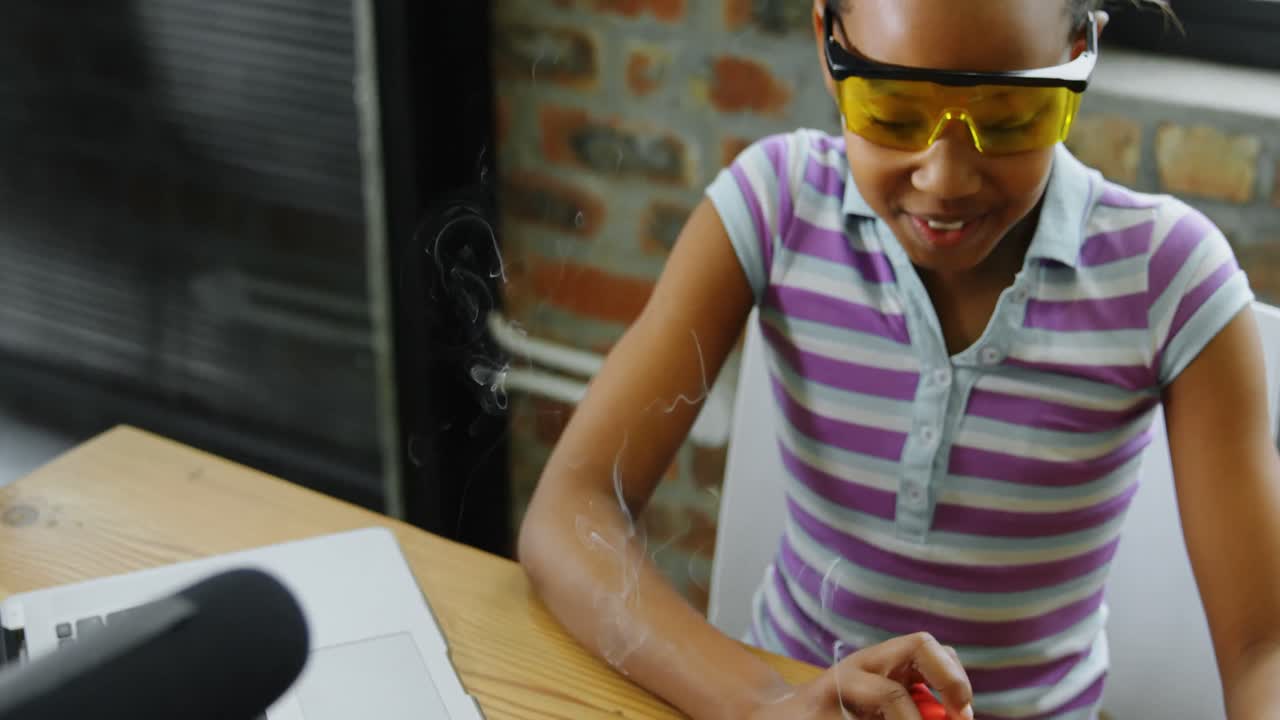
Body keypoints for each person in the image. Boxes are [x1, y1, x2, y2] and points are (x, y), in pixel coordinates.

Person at [517, 1, 1280, 718]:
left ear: (1080, 57)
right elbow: (568, 514)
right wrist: (764, 702)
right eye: (891, 111)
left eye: (1011, 117)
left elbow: (1262, 647)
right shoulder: (775, 206)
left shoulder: (1169, 281)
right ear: (828, 42)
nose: (944, 179)